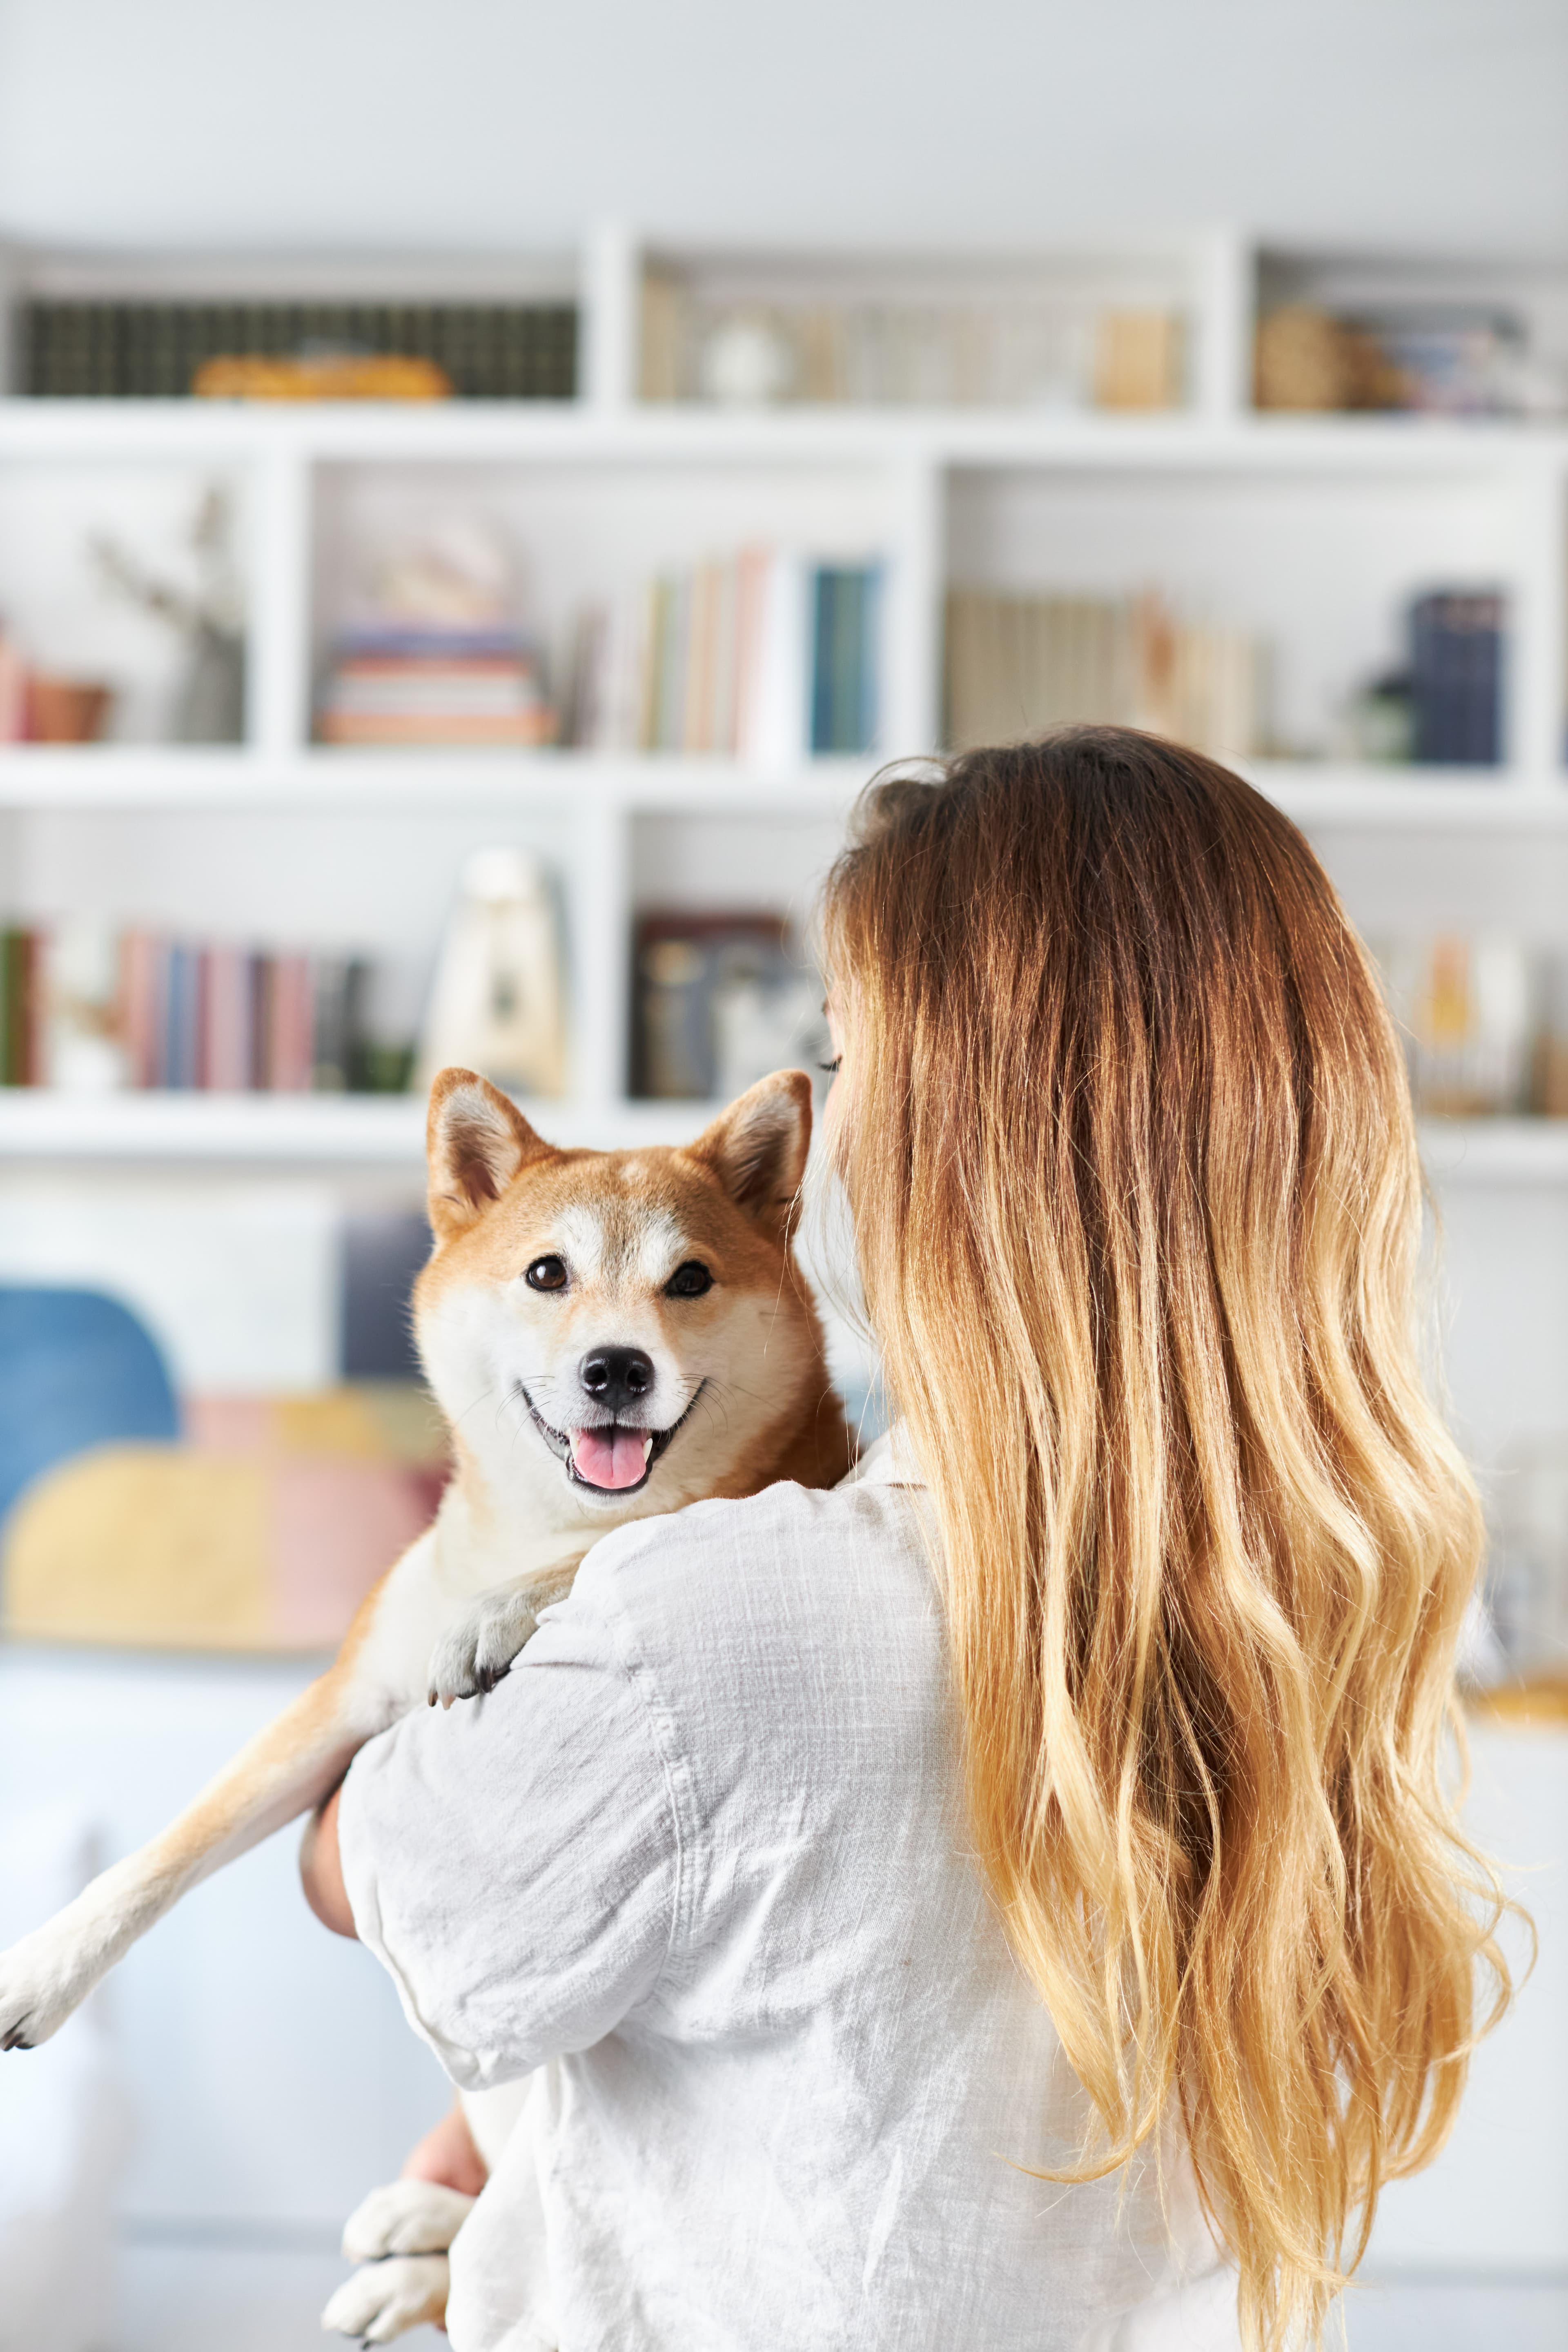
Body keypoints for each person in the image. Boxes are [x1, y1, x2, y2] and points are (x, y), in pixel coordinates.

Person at [304, 729, 1509, 2351]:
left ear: (968, 1142)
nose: (830, 1123)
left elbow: (382, 1880)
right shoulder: (1337, 1623)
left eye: (848, 1055)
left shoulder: (719, 1619)